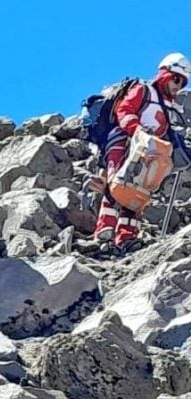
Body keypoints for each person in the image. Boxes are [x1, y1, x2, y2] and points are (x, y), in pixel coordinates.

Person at [93, 52, 191, 252]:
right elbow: (125, 110)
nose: (178, 85)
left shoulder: (170, 107)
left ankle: (127, 237)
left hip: (148, 149)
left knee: (138, 191)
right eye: (176, 79)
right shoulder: (143, 90)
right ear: (165, 73)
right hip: (123, 141)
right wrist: (136, 130)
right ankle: (105, 232)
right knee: (116, 183)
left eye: (182, 83)